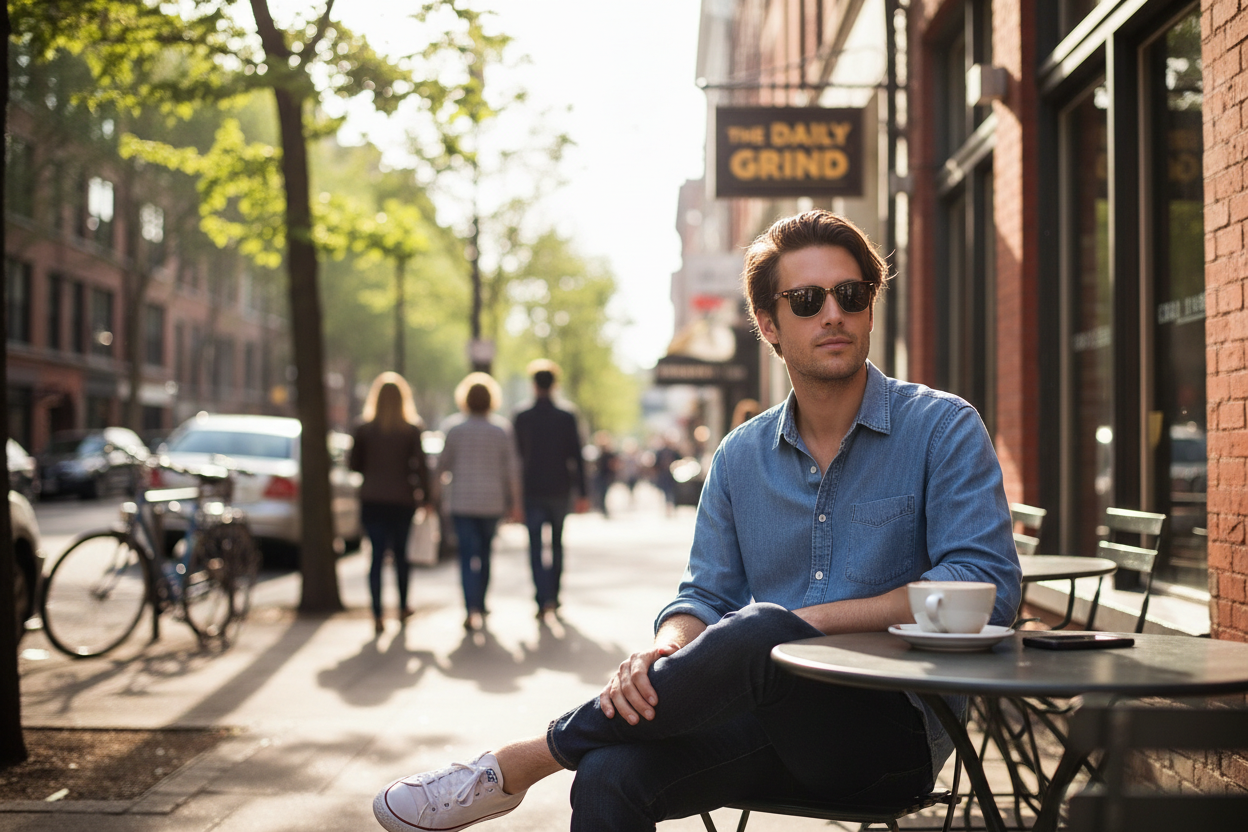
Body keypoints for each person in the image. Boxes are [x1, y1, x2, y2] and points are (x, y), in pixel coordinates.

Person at [372, 210, 1022, 832]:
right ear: (768, 324)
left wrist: (803, 624)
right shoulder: (740, 456)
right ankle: (556, 756)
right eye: (808, 300)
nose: (834, 313)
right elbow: (705, 596)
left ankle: (520, 762)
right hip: (764, 724)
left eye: (852, 295)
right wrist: (666, 649)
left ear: (871, 306)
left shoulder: (942, 428)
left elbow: (986, 583)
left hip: (889, 738)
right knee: (605, 775)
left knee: (769, 629)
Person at [438, 372, 523, 632]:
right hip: (491, 503)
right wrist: (515, 502)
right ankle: (481, 602)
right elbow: (511, 469)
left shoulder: (454, 429)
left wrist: (433, 495)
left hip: (462, 503)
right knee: (485, 555)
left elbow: (442, 466)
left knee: (466, 555)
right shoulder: (500, 430)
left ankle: (469, 606)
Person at [350, 372, 429, 636]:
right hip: (402, 500)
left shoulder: (364, 429)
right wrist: (427, 498)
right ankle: (403, 606)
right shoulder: (411, 429)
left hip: (373, 499)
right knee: (401, 556)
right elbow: (420, 468)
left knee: (375, 557)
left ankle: (377, 612)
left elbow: (353, 465)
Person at [512, 360, 589, 620]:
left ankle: (540, 598)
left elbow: (517, 458)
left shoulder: (522, 417)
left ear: (534, 385)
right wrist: (583, 493)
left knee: (535, 547)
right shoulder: (566, 417)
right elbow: (576, 456)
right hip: (559, 489)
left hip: (532, 490)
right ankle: (554, 597)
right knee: (556, 544)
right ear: (554, 385)